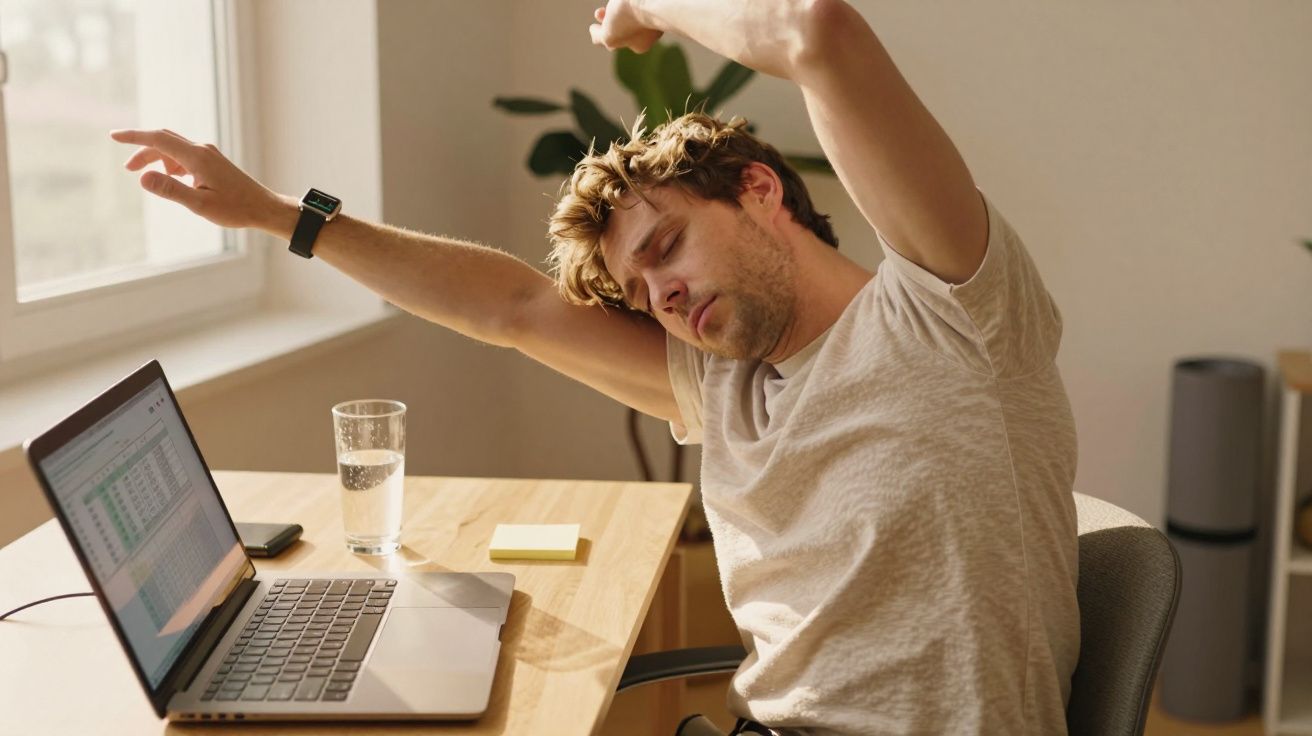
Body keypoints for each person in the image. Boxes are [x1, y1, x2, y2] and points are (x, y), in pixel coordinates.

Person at [111, 1, 1079, 733]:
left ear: (758, 188)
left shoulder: (952, 312)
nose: (660, 298)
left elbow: (814, 31)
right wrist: (280, 216)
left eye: (665, 248)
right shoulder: (725, 386)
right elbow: (513, 307)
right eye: (639, 289)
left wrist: (649, 9)